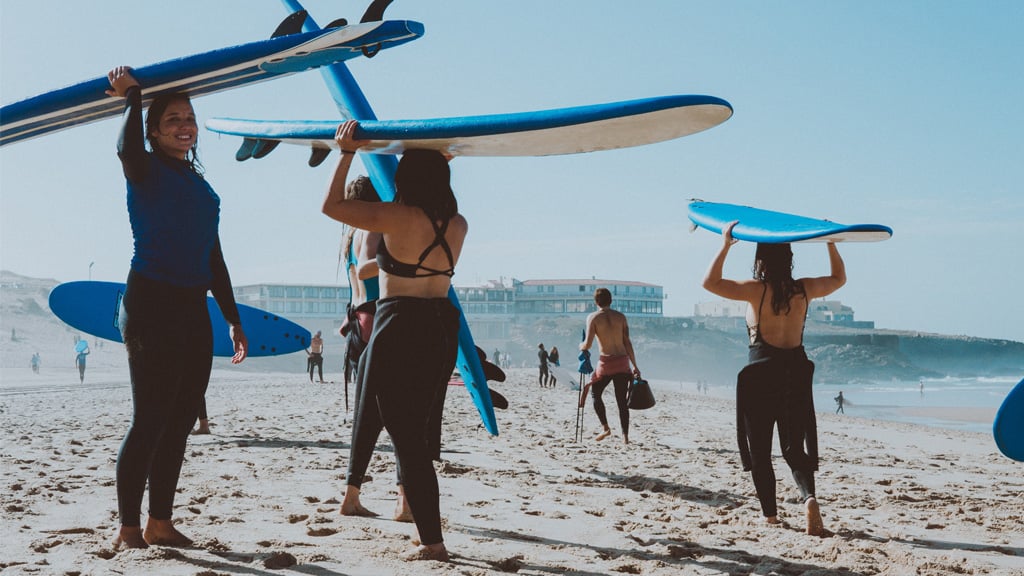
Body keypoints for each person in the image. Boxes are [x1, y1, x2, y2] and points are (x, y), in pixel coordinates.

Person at [106, 67, 248, 551]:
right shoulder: (144, 167)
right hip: (150, 302)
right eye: (172, 120)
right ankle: (128, 528)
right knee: (150, 417)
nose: (184, 125)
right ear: (153, 129)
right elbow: (124, 149)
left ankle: (160, 522)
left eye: (189, 117)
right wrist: (133, 96)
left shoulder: (200, 184)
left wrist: (232, 317)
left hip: (193, 306)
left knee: (182, 419)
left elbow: (214, 256)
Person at [322, 120, 467, 562]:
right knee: (416, 435)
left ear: (404, 179)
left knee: (405, 438)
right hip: (441, 326)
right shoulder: (458, 224)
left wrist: (346, 152)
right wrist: (439, 163)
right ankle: (427, 533)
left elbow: (332, 206)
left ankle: (433, 542)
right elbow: (431, 194)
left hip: (397, 325)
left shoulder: (394, 216)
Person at [701, 220, 845, 536]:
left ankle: (770, 515)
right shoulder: (804, 288)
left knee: (761, 450)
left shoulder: (756, 291)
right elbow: (838, 278)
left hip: (760, 376)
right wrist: (830, 242)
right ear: (789, 258)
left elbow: (710, 283)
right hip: (794, 374)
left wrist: (725, 244)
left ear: (760, 260)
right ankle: (808, 498)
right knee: (794, 446)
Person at [336, 174, 414, 524]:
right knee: (402, 415)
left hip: (358, 320)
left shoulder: (349, 232)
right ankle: (404, 501)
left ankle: (353, 496)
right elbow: (369, 266)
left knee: (371, 416)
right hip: (375, 321)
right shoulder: (370, 229)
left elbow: (356, 274)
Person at [579, 288, 641, 444]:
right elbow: (627, 342)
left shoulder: (592, 318)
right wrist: (635, 366)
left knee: (595, 394)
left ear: (595, 302)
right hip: (622, 362)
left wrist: (581, 346)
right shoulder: (621, 317)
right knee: (622, 401)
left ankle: (606, 428)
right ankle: (625, 438)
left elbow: (588, 344)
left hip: (606, 364)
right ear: (611, 300)